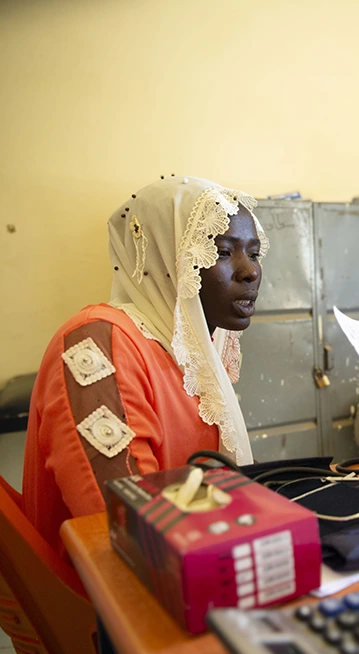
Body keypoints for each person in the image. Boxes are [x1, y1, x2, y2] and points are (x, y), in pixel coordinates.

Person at [22, 176, 269, 554]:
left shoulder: (191, 352)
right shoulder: (96, 346)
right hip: (111, 596)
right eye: (221, 252)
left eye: (253, 253)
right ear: (168, 260)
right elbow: (128, 525)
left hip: (196, 557)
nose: (249, 271)